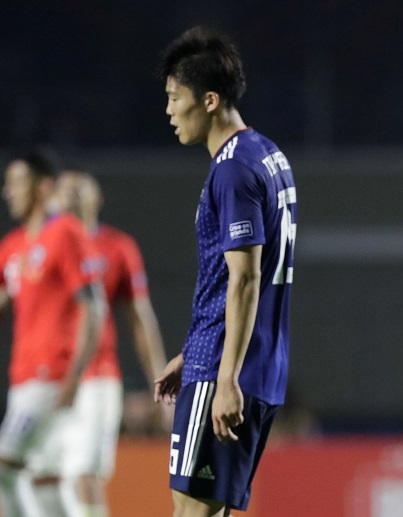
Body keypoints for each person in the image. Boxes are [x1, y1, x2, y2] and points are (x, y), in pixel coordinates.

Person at [153, 26, 297, 517]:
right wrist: (190, 350)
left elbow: (245, 278)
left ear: (210, 100)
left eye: (176, 98)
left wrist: (224, 375)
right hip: (247, 363)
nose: (169, 111)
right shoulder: (268, 153)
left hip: (226, 369)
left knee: (191, 510)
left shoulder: (233, 168)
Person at [55, 169, 169, 517]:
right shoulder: (35, 247)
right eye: (65, 190)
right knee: (34, 475)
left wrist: (162, 385)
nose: (72, 195)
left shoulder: (116, 247)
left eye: (80, 189)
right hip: (46, 378)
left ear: (97, 198)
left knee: (85, 476)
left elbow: (140, 318)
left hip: (96, 376)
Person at [0, 151, 105, 517]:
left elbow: (94, 307)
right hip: (22, 379)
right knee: (45, 482)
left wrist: (76, 374)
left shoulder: (65, 232)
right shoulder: (12, 246)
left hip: (52, 377)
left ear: (43, 187)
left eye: (16, 182)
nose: (7, 191)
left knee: (4, 472)